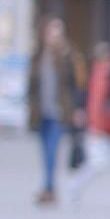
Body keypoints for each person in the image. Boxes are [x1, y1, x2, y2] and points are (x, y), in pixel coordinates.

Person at [25, 16, 84, 207]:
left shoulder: (67, 55)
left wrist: (77, 108)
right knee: (44, 152)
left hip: (59, 111)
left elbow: (76, 84)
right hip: (41, 111)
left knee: (52, 150)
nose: (54, 35)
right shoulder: (38, 56)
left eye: (58, 31)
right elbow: (31, 85)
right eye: (51, 31)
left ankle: (49, 189)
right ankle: (49, 187)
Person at [66, 41, 110, 206]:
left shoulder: (100, 73)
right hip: (102, 126)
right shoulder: (102, 74)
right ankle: (75, 185)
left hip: (106, 125)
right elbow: (96, 102)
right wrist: (95, 124)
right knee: (98, 163)